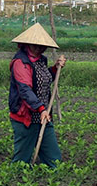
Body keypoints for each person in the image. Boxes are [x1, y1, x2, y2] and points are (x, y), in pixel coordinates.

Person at [8, 23, 66, 167]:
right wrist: (41, 109)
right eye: (35, 46)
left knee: (55, 161)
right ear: (26, 45)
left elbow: (43, 80)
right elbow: (25, 90)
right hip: (26, 118)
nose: (39, 49)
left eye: (42, 46)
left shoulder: (41, 60)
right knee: (21, 163)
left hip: (43, 117)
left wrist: (55, 68)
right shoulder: (20, 63)